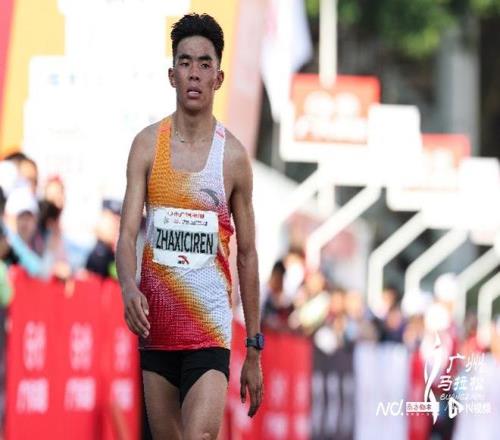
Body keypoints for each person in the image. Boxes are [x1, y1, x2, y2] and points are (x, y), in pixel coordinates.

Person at [116, 13, 263, 440]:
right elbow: (126, 235)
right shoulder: (147, 146)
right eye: (184, 62)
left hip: (209, 331)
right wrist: (128, 287)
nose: (194, 73)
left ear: (218, 77)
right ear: (171, 75)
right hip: (157, 328)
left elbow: (248, 255)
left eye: (204, 63)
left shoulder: (233, 158)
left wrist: (254, 348)